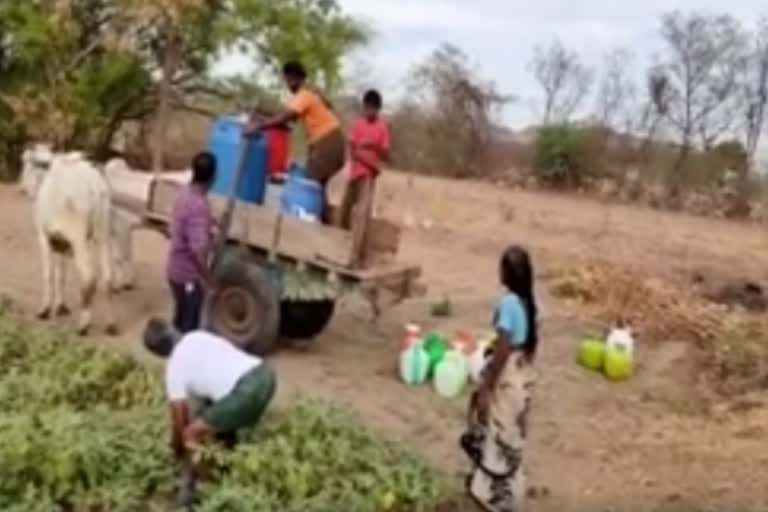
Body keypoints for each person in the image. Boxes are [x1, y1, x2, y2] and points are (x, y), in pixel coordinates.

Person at [142, 317, 277, 504]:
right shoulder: (197, 336)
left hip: (245, 393)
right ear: (173, 331)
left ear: (157, 353)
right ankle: (229, 457)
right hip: (265, 374)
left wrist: (178, 449)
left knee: (192, 434)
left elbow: (179, 420)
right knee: (211, 418)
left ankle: (211, 490)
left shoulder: (174, 367)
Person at [461, 245, 539, 512]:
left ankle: (493, 495)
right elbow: (519, 344)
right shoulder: (527, 303)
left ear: (506, 273)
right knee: (513, 431)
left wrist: (486, 386)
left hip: (506, 374)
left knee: (496, 429)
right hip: (522, 373)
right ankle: (511, 489)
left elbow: (504, 347)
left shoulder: (507, 304)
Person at [248, 60, 346, 224]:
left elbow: (284, 117)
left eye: (287, 80)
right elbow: (285, 119)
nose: (287, 85)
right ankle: (327, 230)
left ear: (293, 78)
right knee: (317, 188)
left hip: (328, 142)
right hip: (332, 142)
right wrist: (262, 119)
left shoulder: (304, 95)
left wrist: (258, 126)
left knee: (310, 184)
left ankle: (311, 228)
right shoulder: (307, 95)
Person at [166, 152, 216, 333]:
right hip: (189, 276)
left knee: (180, 321)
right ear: (213, 177)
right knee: (189, 329)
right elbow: (198, 252)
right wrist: (209, 281)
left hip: (174, 270)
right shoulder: (199, 205)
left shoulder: (185, 193)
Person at [339, 89, 391, 231]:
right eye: (368, 107)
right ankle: (342, 235)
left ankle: (357, 245)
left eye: (373, 108)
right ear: (364, 107)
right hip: (355, 173)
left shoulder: (382, 128)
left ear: (378, 109)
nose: (370, 111)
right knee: (345, 207)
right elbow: (352, 148)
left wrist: (373, 146)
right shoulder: (357, 124)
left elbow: (385, 154)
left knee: (363, 211)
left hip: (368, 175)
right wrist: (363, 156)